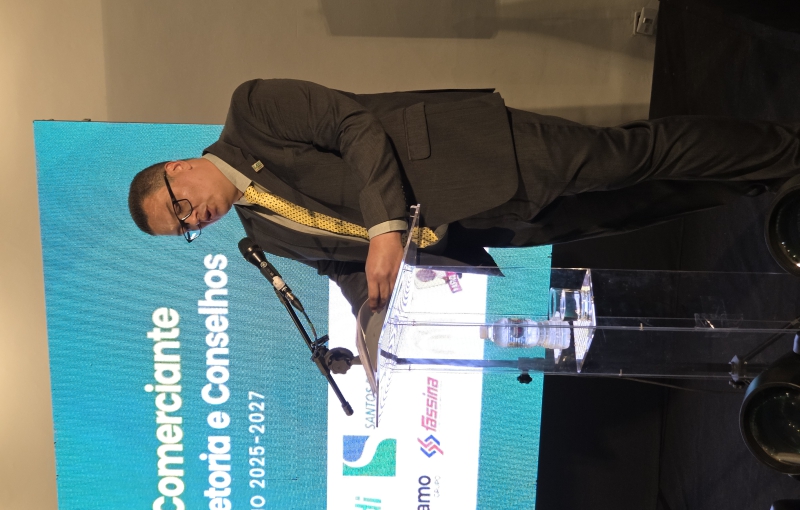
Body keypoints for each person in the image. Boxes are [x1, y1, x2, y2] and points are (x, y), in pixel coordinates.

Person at [129, 78, 800, 315]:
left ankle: (786, 151)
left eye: (179, 207)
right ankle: (762, 181)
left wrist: (385, 229)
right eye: (184, 229)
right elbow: (340, 264)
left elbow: (354, 126)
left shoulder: (252, 110)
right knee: (631, 205)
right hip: (476, 225)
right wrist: (371, 314)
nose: (196, 219)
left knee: (632, 157)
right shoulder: (262, 234)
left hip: (475, 154)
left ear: (178, 168)